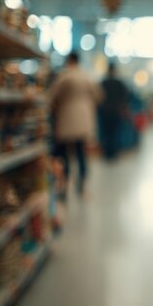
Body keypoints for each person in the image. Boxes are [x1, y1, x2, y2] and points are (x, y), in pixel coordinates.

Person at [49, 52, 102, 197]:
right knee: (81, 153)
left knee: (65, 154)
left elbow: (52, 97)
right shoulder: (87, 76)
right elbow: (99, 96)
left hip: (66, 117)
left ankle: (64, 186)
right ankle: (82, 186)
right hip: (84, 118)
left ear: (69, 61)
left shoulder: (64, 76)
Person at [98, 62, 129, 160]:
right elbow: (125, 97)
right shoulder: (119, 83)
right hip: (116, 111)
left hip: (105, 111)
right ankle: (114, 153)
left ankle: (107, 153)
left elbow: (98, 96)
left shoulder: (103, 83)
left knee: (106, 133)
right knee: (115, 133)